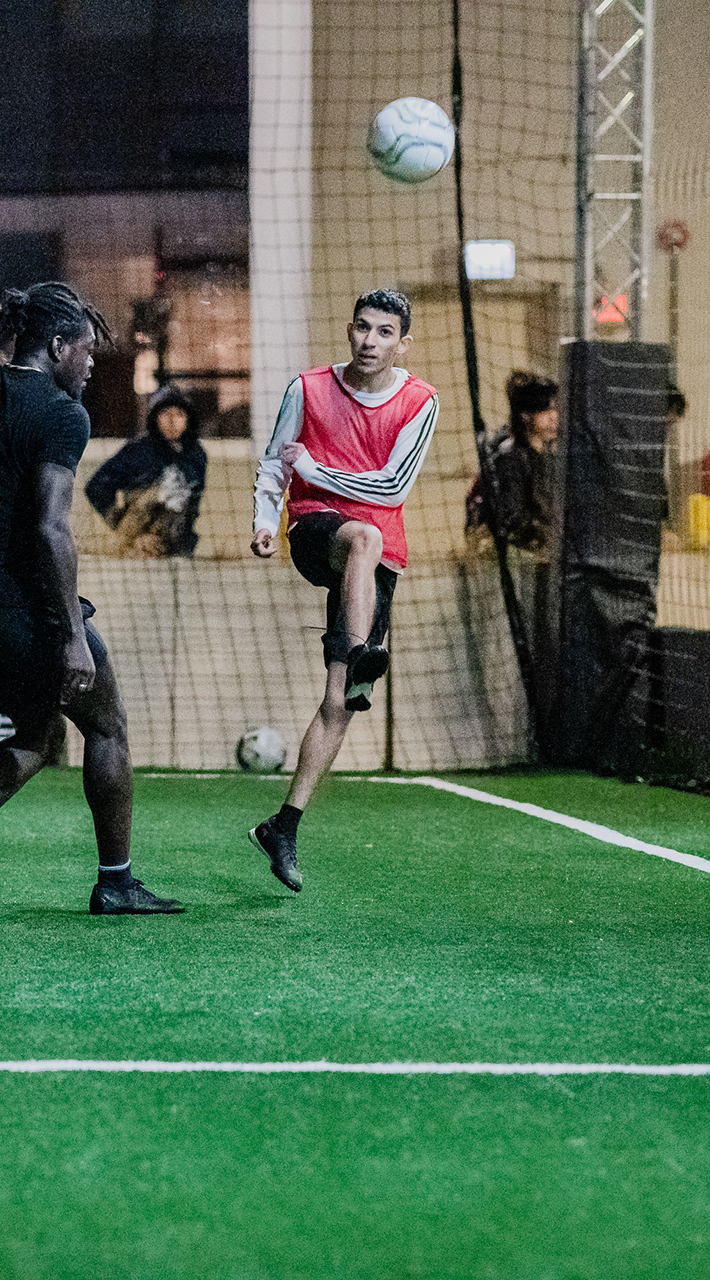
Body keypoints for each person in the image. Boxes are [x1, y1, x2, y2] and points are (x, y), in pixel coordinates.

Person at [0, 281, 182, 917]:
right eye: (86, 350)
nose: (92, 362)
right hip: (23, 609)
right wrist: (72, 635)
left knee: (38, 728)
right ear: (56, 346)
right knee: (107, 726)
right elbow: (52, 528)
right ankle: (116, 882)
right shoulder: (61, 414)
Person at [244, 288, 439, 891]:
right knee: (360, 537)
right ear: (349, 329)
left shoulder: (421, 401)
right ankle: (359, 653)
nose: (369, 341)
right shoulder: (307, 388)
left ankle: (283, 825)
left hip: (379, 554)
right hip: (317, 530)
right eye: (361, 327)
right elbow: (275, 464)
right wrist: (264, 518)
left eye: (384, 332)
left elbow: (393, 489)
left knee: (339, 704)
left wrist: (315, 468)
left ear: (403, 343)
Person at [84, 386, 209, 557]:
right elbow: (96, 486)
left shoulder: (196, 455)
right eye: (166, 413)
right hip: (139, 540)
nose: (172, 420)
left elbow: (193, 501)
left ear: (188, 419)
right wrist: (120, 522)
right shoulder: (138, 450)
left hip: (178, 543)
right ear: (155, 417)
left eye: (179, 414)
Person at [465, 371, 558, 553]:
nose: (554, 416)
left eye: (556, 409)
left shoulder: (546, 455)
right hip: (507, 549)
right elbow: (512, 521)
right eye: (546, 410)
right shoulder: (510, 459)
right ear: (526, 415)